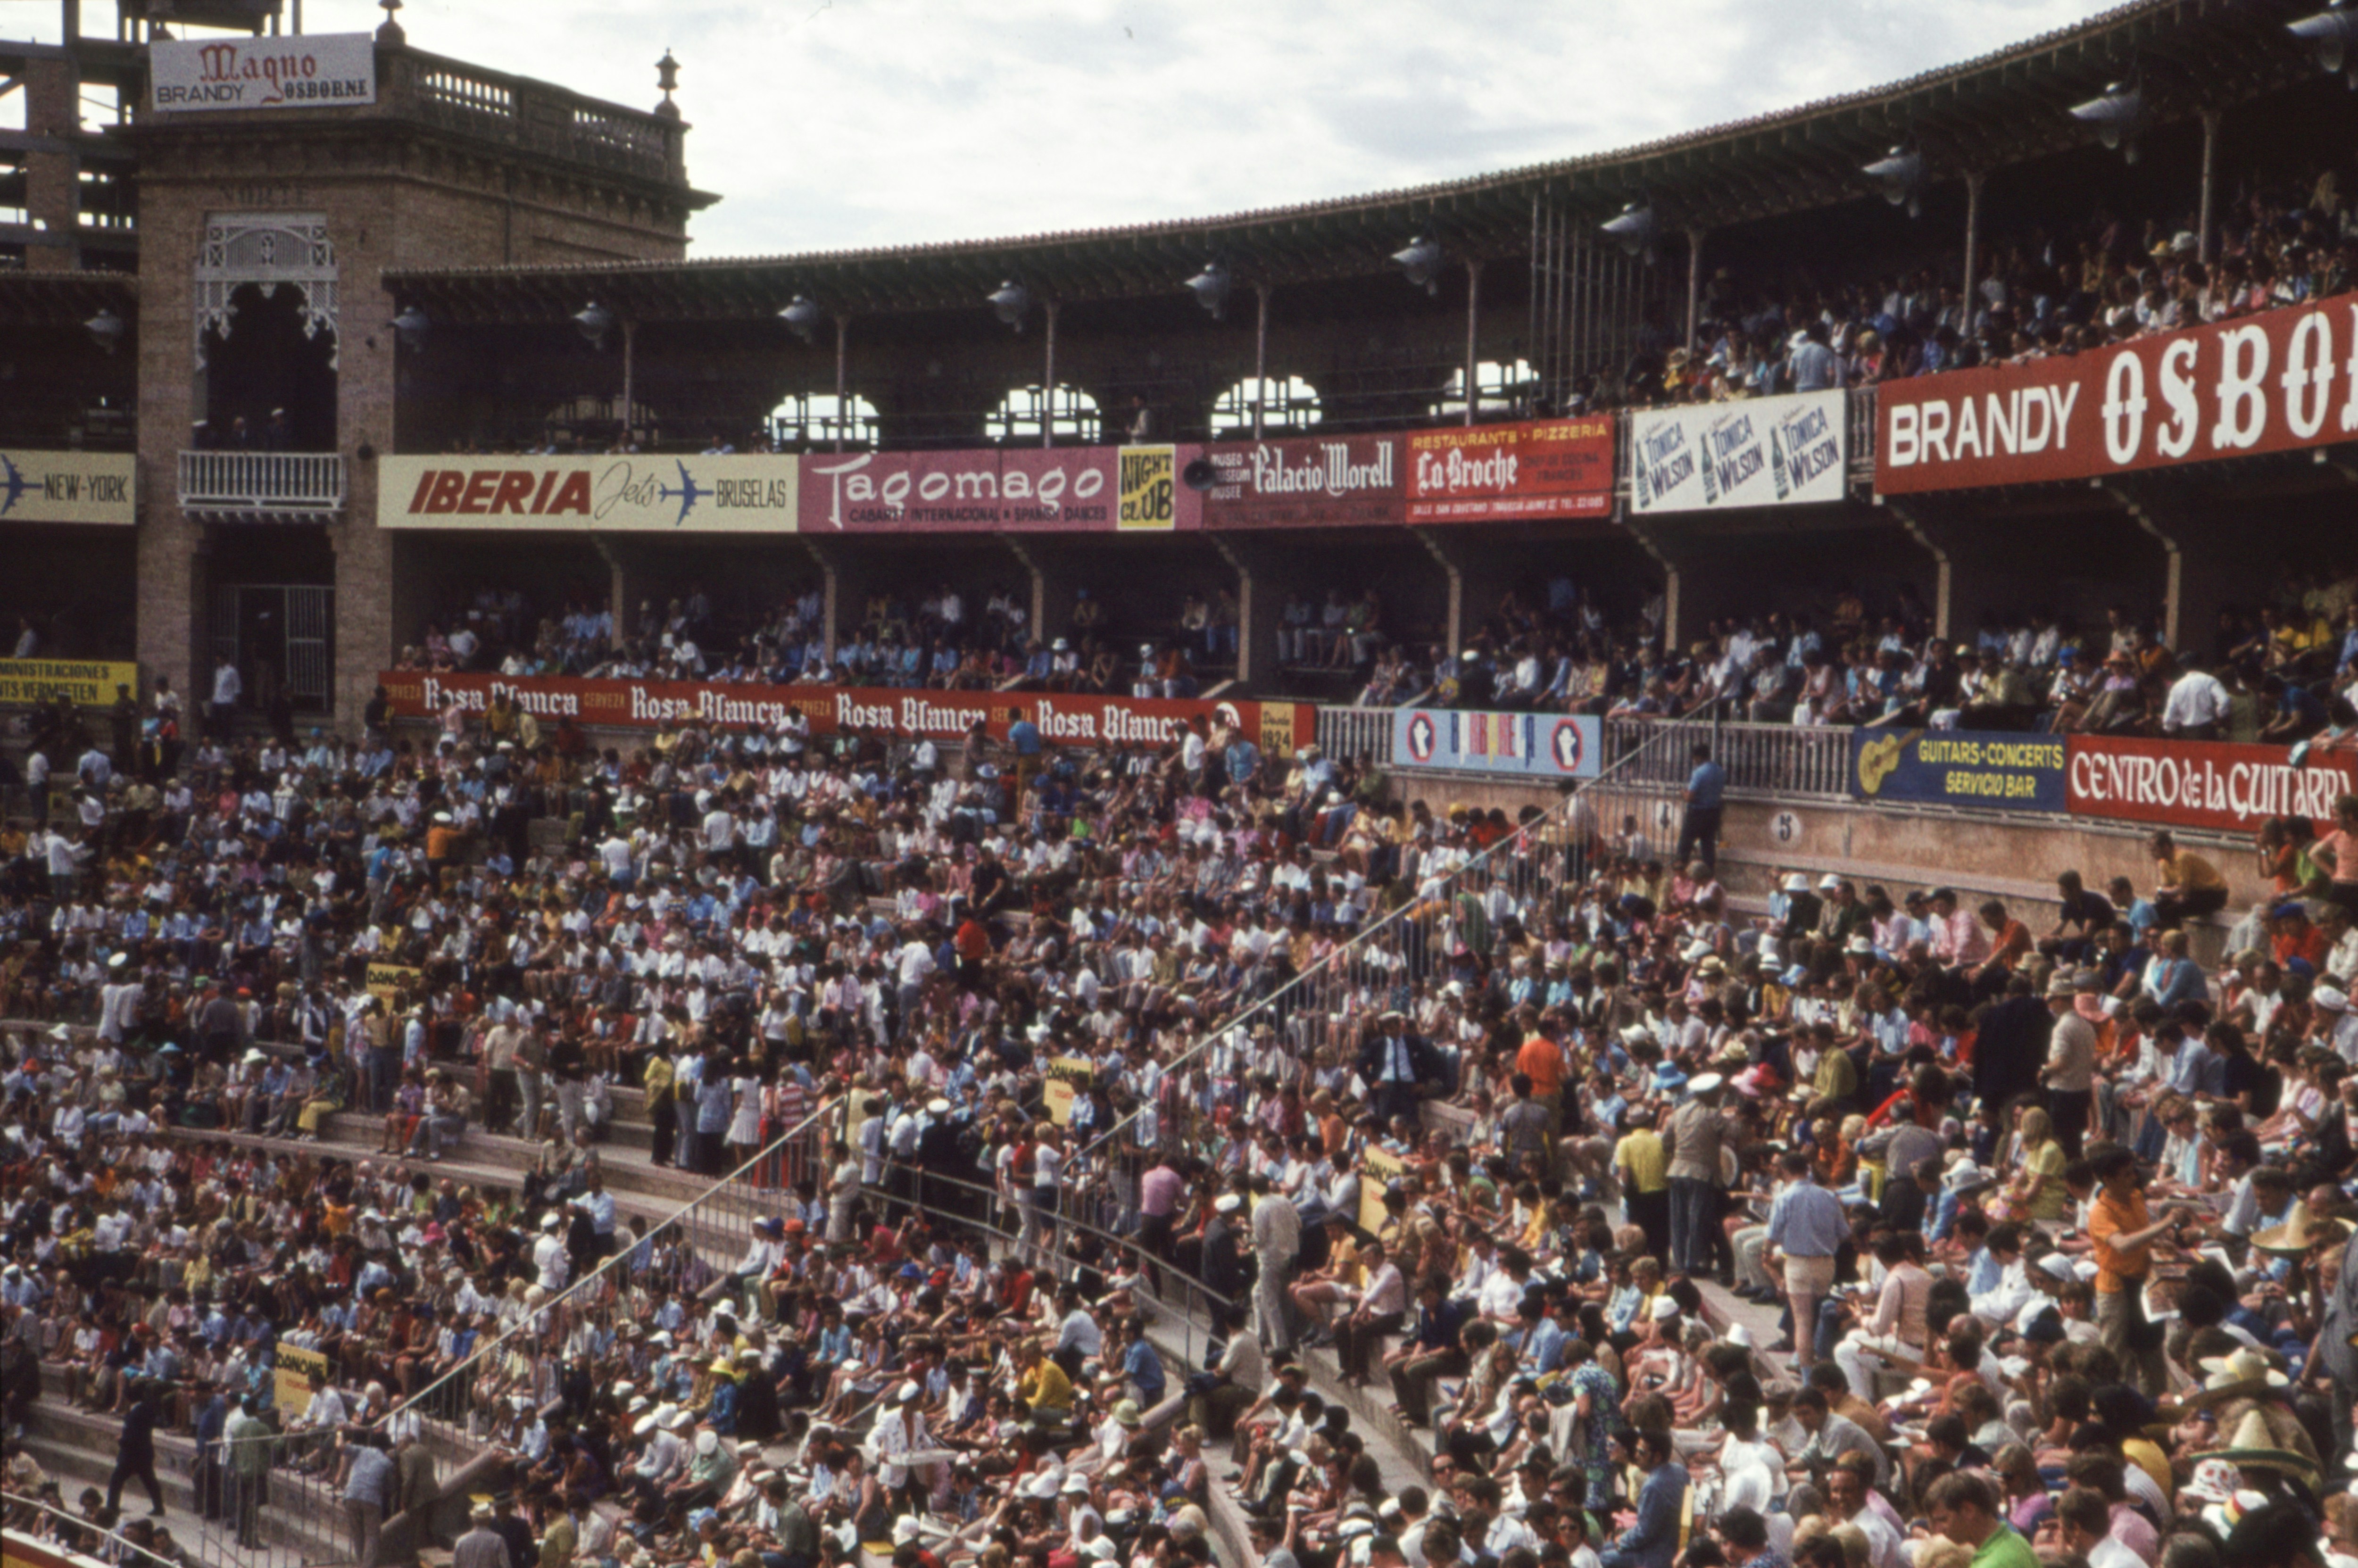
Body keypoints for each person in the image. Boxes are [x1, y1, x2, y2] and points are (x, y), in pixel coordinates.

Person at [1676, 743, 1726, 872]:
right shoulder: (1720, 771)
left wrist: (1683, 793)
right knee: (1708, 846)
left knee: (1685, 845)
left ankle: (1681, 875)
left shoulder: (1699, 773)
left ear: (1698, 757)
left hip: (1697, 812)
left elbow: (1690, 797)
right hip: (1714, 812)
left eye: (1694, 758)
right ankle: (1709, 875)